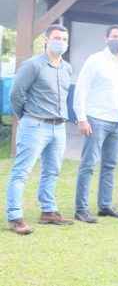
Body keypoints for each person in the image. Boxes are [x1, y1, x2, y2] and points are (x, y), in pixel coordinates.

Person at [6, 24, 74, 235]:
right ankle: (15, 216)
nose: (60, 42)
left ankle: (48, 211)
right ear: (46, 40)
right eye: (56, 38)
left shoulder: (67, 68)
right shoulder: (32, 65)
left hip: (58, 127)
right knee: (21, 172)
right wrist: (25, 117)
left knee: (52, 171)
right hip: (35, 125)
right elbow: (16, 94)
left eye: (64, 39)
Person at [72, 24, 118, 223]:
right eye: (114, 36)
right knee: (88, 165)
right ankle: (81, 209)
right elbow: (81, 89)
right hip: (95, 119)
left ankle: (105, 206)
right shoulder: (95, 60)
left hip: (116, 123)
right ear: (106, 38)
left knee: (110, 165)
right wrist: (81, 118)